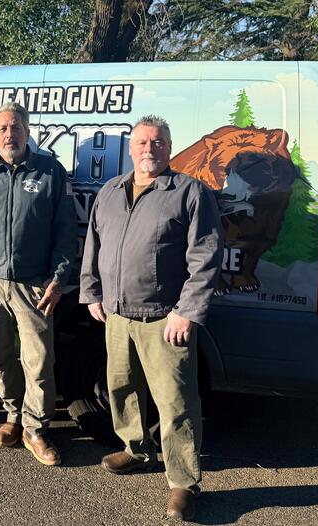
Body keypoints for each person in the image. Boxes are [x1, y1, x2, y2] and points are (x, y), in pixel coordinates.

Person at [80, 115, 223, 520]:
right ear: (130, 147)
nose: (150, 148)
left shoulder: (189, 193)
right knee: (121, 389)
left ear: (169, 147)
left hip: (166, 318)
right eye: (142, 142)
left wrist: (187, 312)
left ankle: (184, 483)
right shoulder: (109, 192)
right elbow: (94, 245)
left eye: (158, 142)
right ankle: (136, 450)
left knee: (175, 402)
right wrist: (92, 292)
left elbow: (206, 257)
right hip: (118, 315)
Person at [0, 102, 77, 466]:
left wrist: (57, 280)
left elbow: (65, 232)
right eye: (4, 128)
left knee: (38, 361)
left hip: (33, 285)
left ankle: (36, 429)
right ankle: (12, 415)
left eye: (17, 127)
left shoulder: (50, 172)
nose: (10, 134)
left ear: (27, 132)